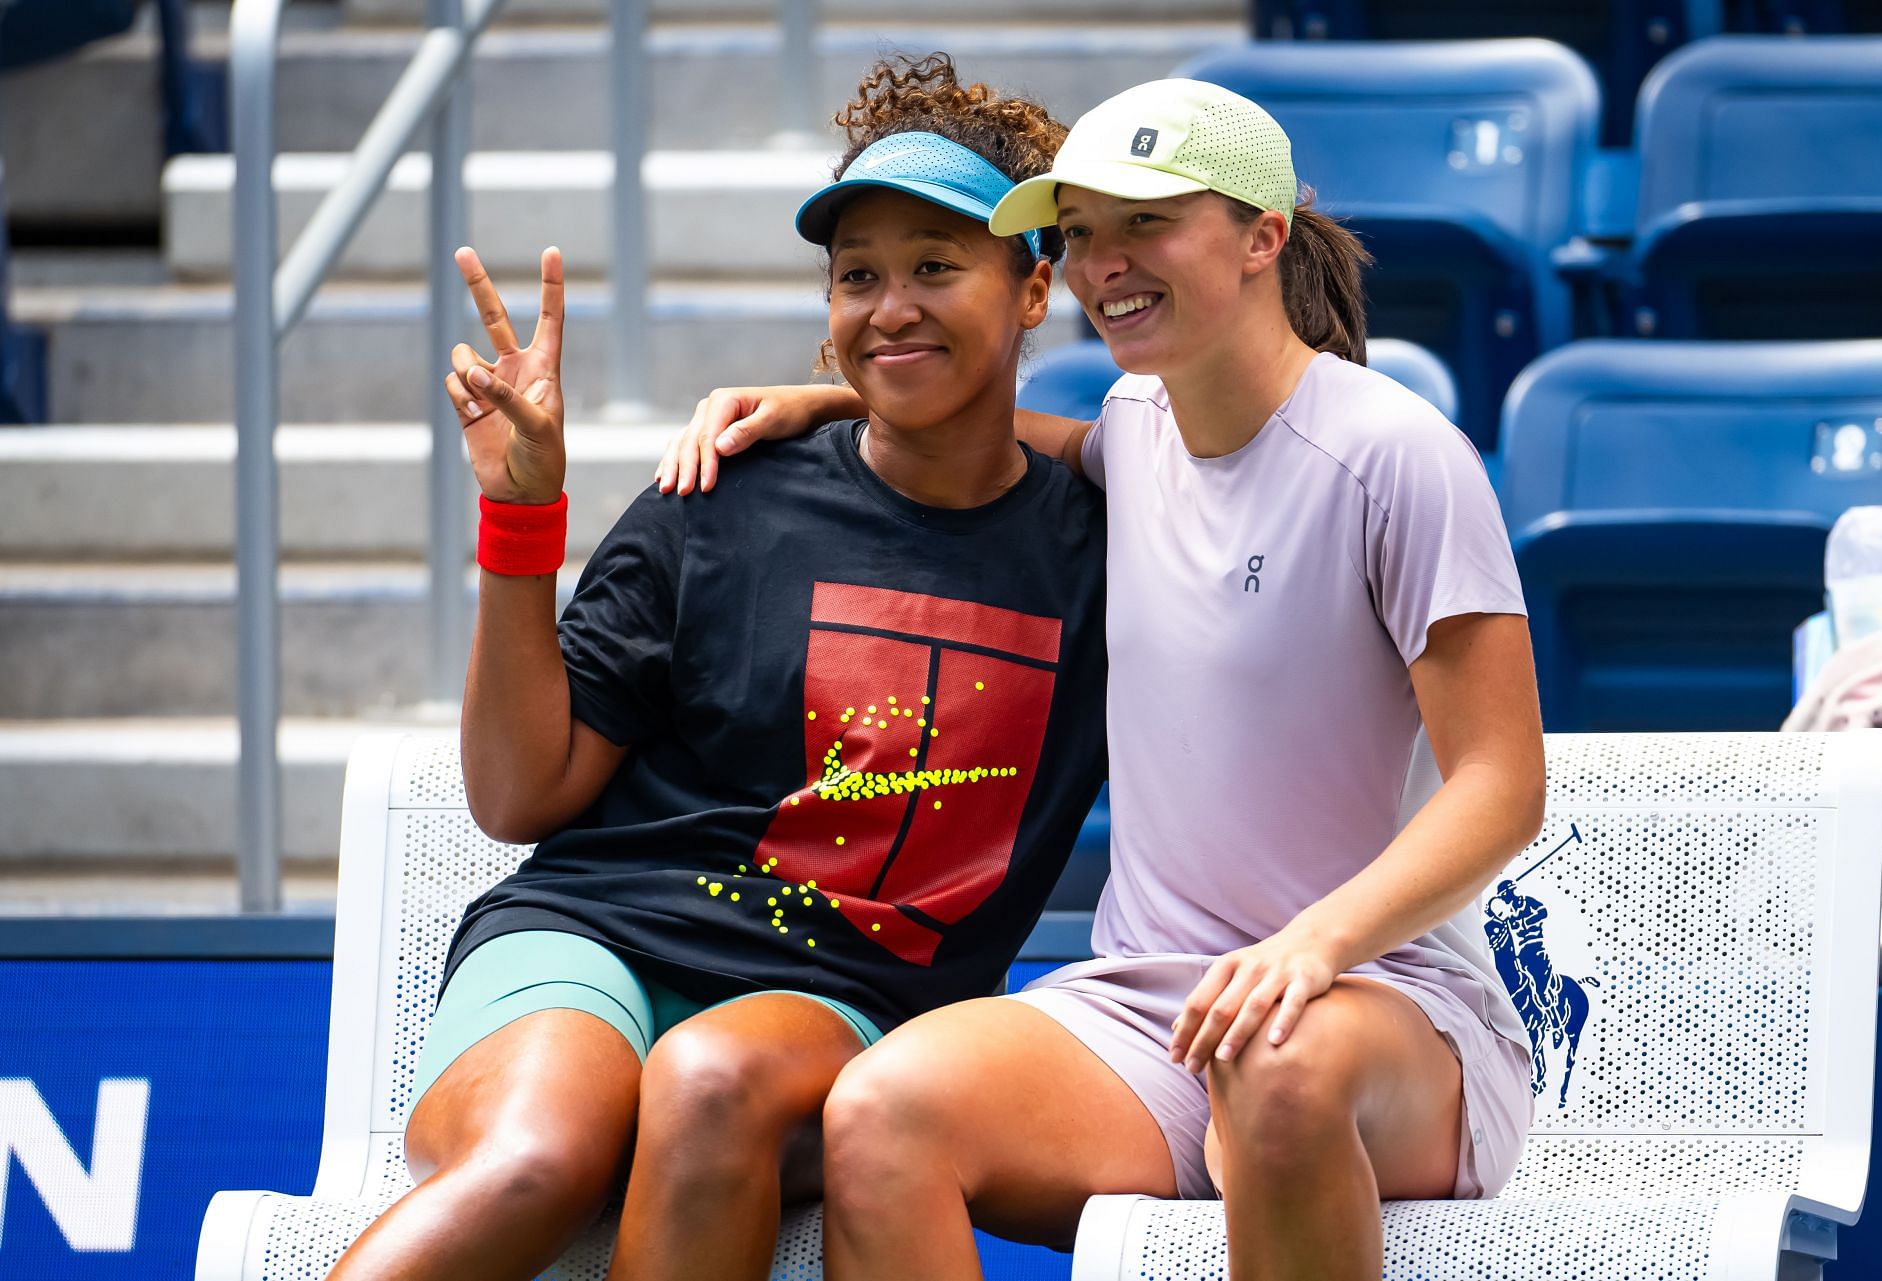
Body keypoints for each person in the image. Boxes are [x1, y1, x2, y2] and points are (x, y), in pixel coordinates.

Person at [656, 78, 1546, 1281]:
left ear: (1261, 238)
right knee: (883, 1112)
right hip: (1150, 1014)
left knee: (1273, 1067)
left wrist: (1312, 948)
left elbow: (1502, 786)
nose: (1100, 265)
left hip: (1384, 1008)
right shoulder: (1137, 423)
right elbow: (1014, 436)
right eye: (1077, 234)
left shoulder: (1397, 454)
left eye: (1144, 224)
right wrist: (831, 402)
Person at [325, 57, 1106, 1281]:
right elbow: (520, 798)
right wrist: (523, 522)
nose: (889, 306)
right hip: (589, 934)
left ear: (1034, 289)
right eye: (858, 276)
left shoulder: (1114, 540)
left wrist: (838, 402)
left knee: (712, 1077)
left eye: (936, 268)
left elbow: (1253, 453)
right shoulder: (718, 495)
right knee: (536, 1154)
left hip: (847, 996)